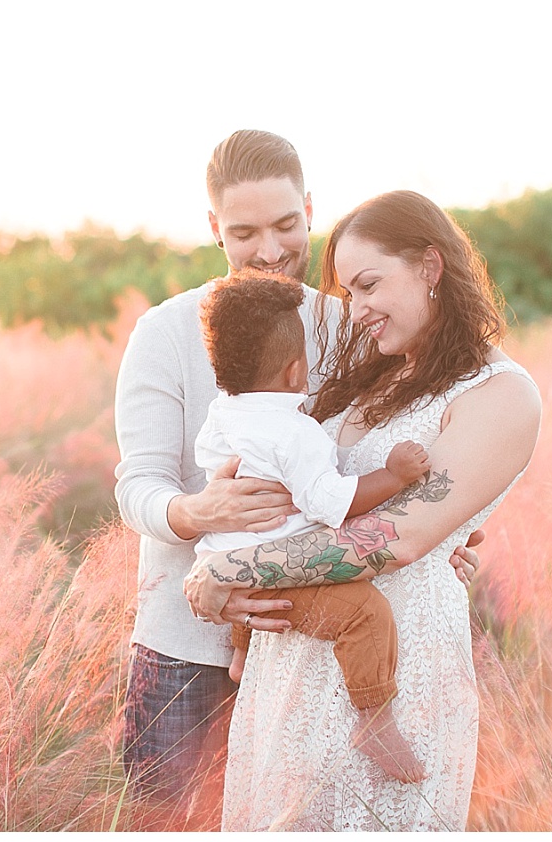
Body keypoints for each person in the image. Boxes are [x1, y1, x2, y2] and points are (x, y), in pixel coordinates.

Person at [112, 131, 482, 827]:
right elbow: (137, 484)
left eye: (287, 225)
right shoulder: (164, 332)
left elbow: (382, 452)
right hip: (185, 648)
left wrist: (438, 532)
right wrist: (199, 511)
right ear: (215, 228)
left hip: (312, 653)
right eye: (245, 232)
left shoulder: (355, 323)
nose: (271, 249)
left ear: (310, 209)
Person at [184, 189, 542, 831]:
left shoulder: (502, 394)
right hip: (290, 665)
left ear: (431, 266)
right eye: (349, 292)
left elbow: (390, 542)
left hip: (393, 671)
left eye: (369, 284)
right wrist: (214, 575)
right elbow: (264, 495)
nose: (357, 310)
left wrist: (228, 572)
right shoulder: (372, 381)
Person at [193, 267, 430, 783]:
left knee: (248, 555)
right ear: (296, 370)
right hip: (281, 570)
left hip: (223, 559)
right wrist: (392, 475)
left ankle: (239, 652)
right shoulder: (294, 433)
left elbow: (210, 459)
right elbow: (331, 504)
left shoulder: (225, 411)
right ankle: (374, 717)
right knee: (365, 612)